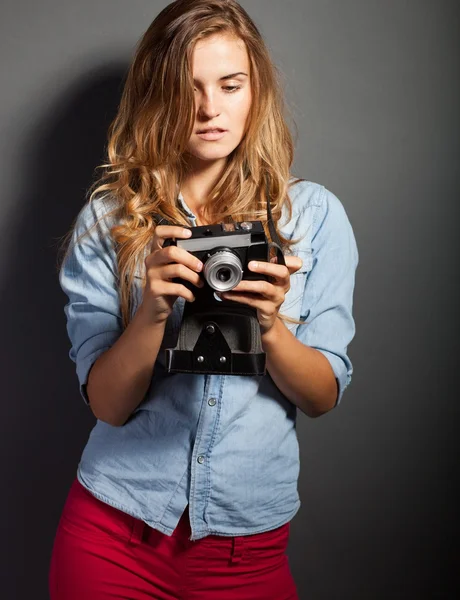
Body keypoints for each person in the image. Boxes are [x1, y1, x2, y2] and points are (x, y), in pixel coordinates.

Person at [48, 0, 358, 598]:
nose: (210, 109)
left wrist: (270, 326)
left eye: (230, 84)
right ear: (156, 96)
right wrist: (151, 314)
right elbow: (108, 406)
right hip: (114, 532)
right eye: (187, 88)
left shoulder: (313, 216)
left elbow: (323, 396)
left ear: (255, 90)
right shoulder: (110, 219)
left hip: (247, 550)